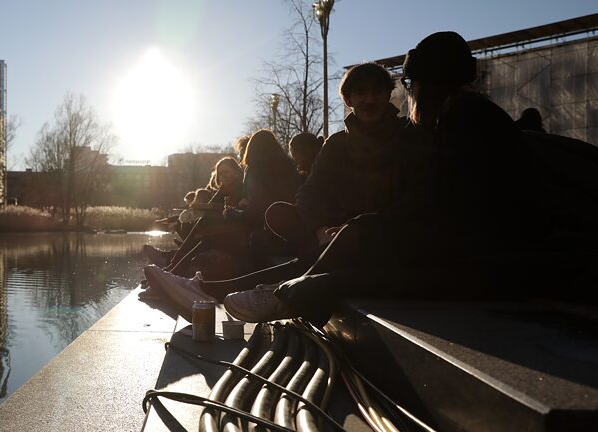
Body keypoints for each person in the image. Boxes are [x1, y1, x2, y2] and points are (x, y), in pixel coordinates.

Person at [224, 31, 595, 324]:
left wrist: (372, 228)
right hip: (487, 250)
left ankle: (290, 294)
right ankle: (288, 290)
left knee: (365, 248)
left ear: (427, 86)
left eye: (410, 87)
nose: (410, 97)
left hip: (499, 260)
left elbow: (440, 204)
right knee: (362, 237)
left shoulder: (465, 119)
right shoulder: (464, 115)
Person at [145, 62, 430, 311]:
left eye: (377, 92)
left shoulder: (407, 137)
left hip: (381, 234)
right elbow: (309, 192)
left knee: (236, 233)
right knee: (282, 216)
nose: (370, 100)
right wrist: (319, 228)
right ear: (349, 100)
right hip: (333, 232)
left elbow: (417, 198)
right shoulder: (338, 144)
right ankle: (205, 284)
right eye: (361, 93)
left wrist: (358, 228)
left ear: (387, 95)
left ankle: (221, 290)